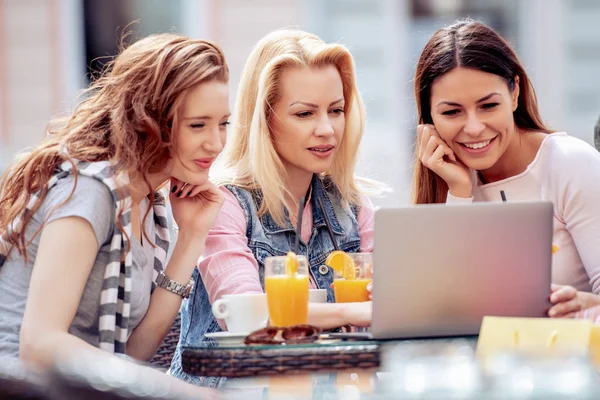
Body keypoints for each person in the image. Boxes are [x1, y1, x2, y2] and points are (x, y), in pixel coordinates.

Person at [0, 32, 228, 393]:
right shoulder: (89, 191)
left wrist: (192, 238)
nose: (215, 142)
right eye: (197, 125)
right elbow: (38, 346)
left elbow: (131, 354)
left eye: (223, 124)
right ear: (147, 119)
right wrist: (180, 392)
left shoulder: (145, 203)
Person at [169, 29, 387, 386]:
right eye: (304, 114)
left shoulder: (352, 207)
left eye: (336, 111)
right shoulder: (223, 204)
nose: (326, 130)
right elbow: (247, 317)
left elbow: (399, 303)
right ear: (264, 119)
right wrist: (352, 310)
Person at [412, 20, 600, 319]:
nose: (473, 128)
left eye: (488, 106)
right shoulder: (447, 179)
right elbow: (440, 310)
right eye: (451, 112)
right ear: (429, 116)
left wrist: (580, 305)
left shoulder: (571, 164)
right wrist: (459, 194)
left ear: (514, 94)